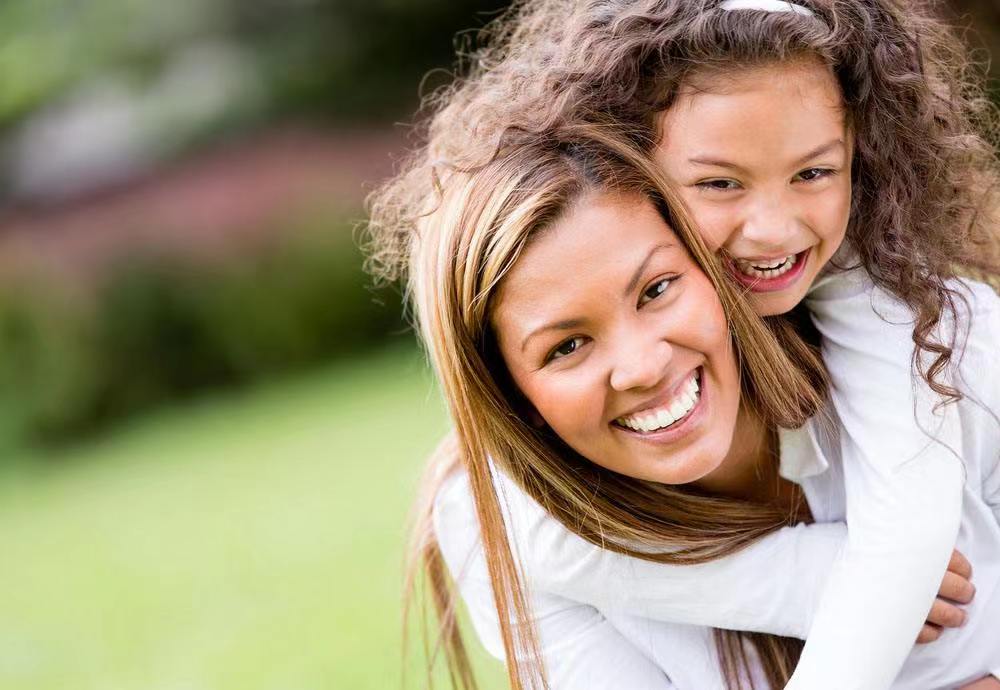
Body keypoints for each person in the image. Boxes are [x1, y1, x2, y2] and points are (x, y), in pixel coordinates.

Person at [366, 1, 1000, 687]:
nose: (771, 229)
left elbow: (912, 535)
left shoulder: (942, 345)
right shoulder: (505, 528)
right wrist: (804, 576)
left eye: (657, 289)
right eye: (566, 346)